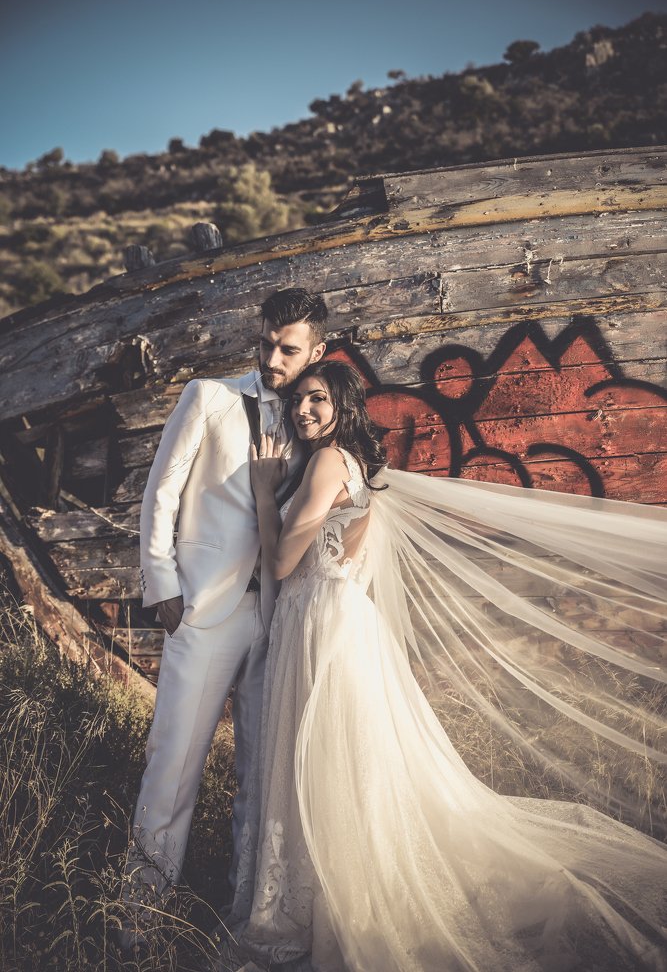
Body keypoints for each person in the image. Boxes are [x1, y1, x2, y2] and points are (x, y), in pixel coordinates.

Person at [219, 359, 667, 972]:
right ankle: (333, 885)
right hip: (334, 618)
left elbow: (280, 563)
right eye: (298, 401)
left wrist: (264, 494)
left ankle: (333, 899)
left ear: (344, 405)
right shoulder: (358, 466)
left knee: (320, 757)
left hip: (322, 620)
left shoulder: (327, 462)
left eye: (317, 399)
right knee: (338, 762)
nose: (302, 411)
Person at [121, 288, 328, 934]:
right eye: (265, 342)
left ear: (317, 352)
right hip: (203, 612)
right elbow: (161, 493)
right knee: (174, 764)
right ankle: (138, 919)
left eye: (288, 349)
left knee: (260, 779)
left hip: (275, 619)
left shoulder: (316, 423)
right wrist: (164, 590)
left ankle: (245, 914)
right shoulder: (207, 397)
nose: (272, 357)